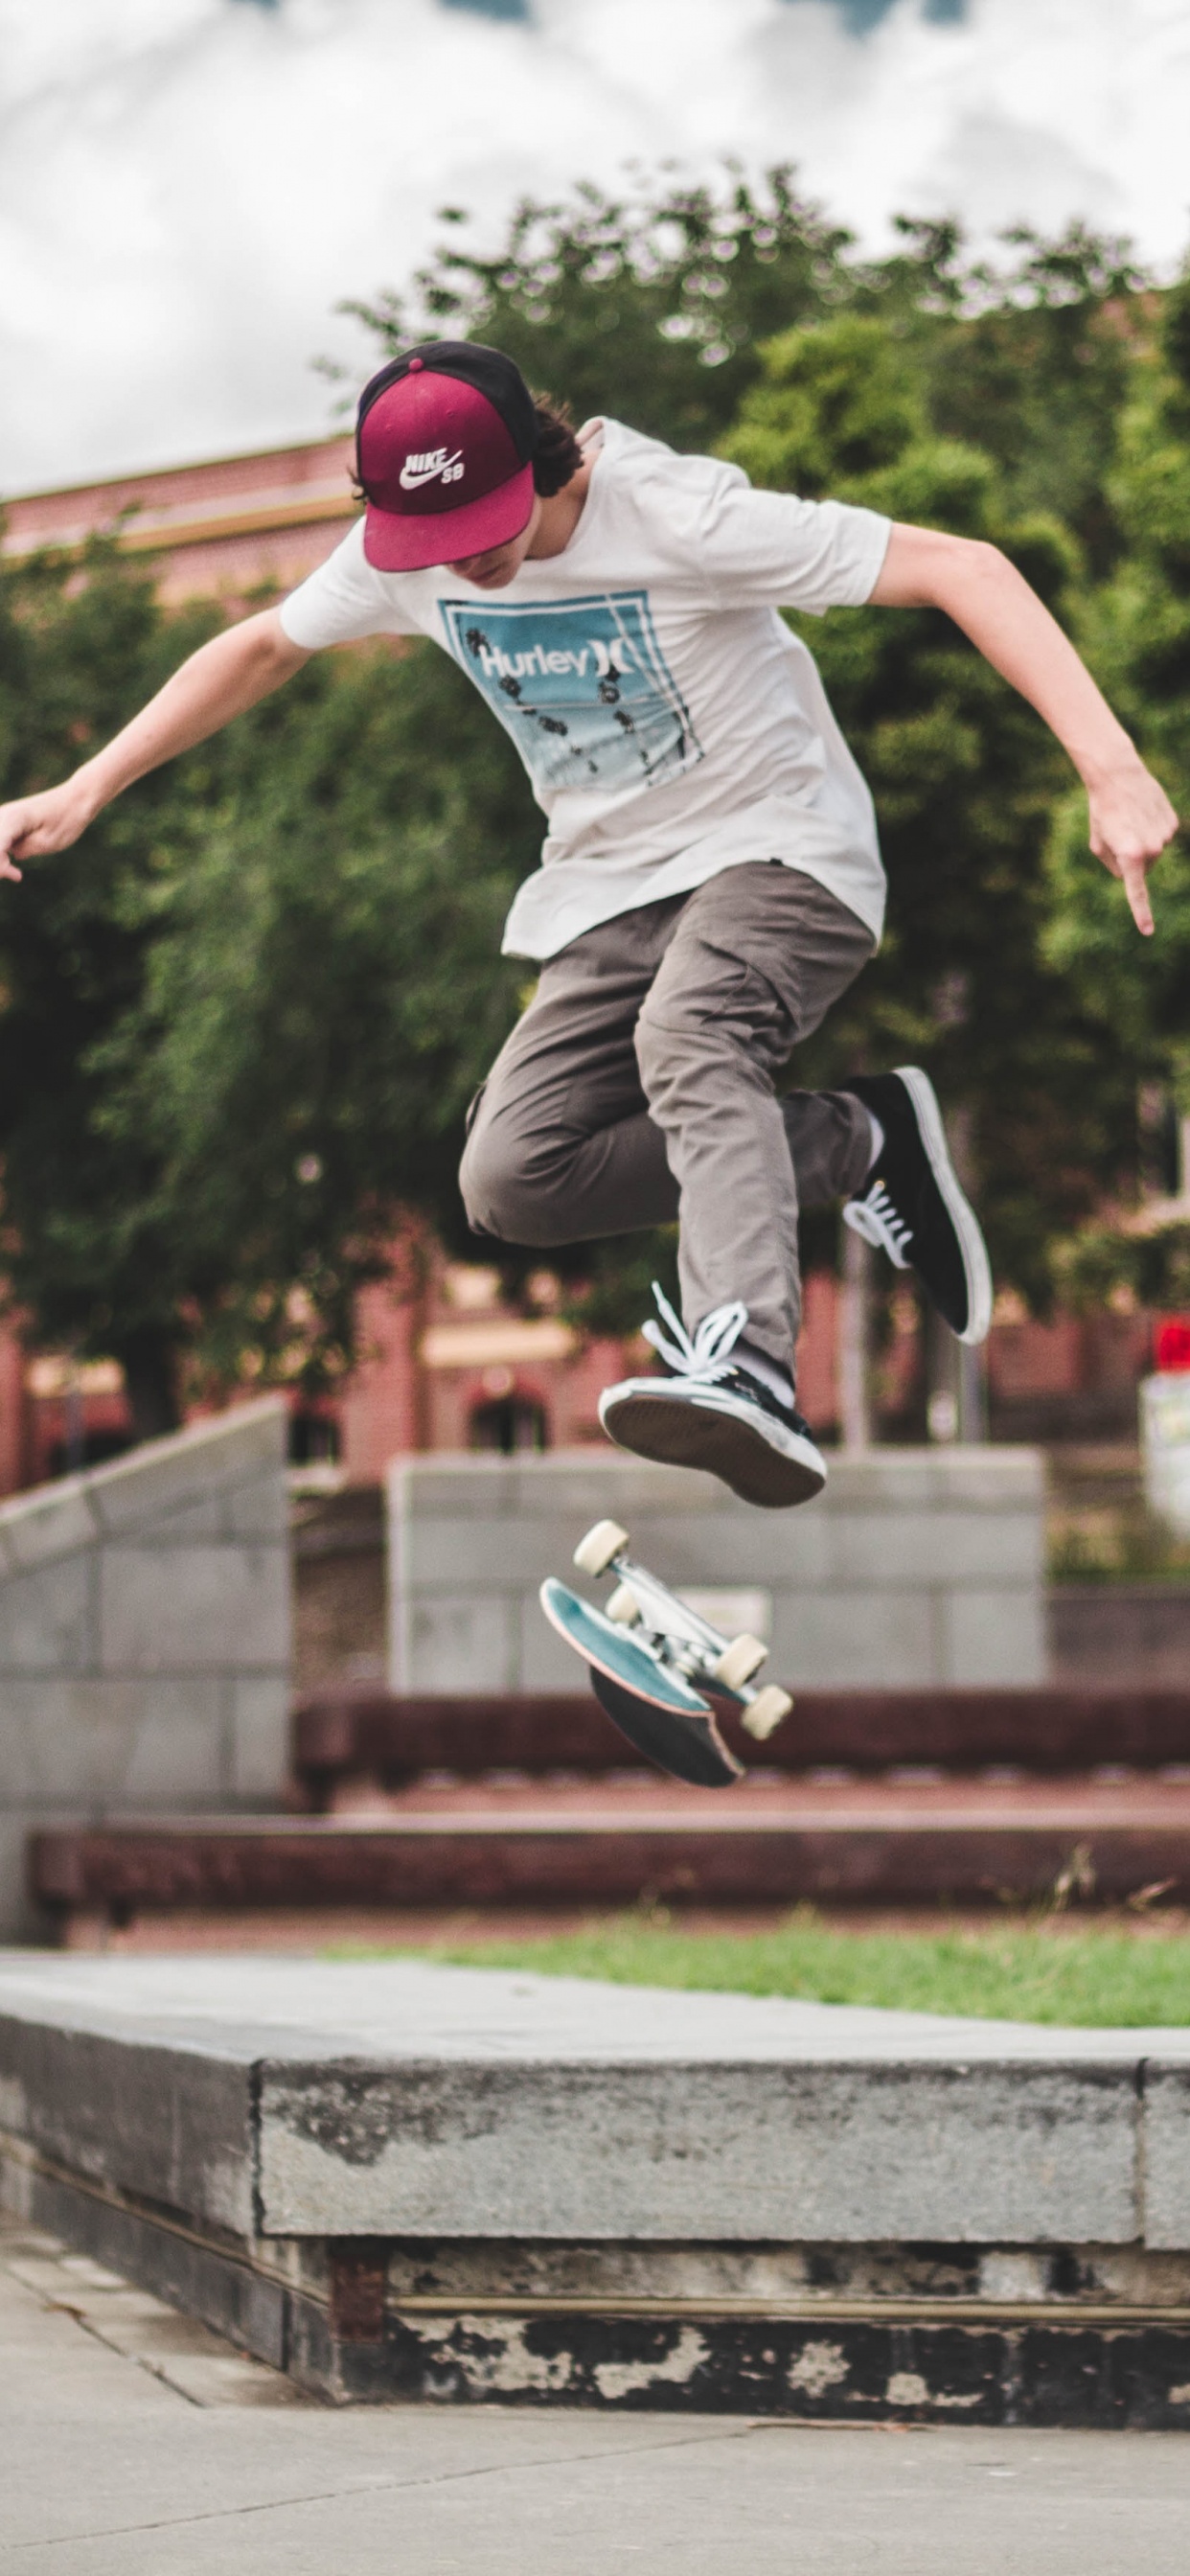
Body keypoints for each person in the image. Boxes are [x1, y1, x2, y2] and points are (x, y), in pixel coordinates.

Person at [0, 342, 1178, 1507]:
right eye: (437, 550)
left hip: (783, 849)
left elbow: (963, 566)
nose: (467, 567)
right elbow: (260, 645)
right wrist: (85, 788)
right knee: (515, 1177)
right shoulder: (407, 556)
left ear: (540, 461)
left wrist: (1109, 769)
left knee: (693, 1034)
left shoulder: (679, 516)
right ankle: (860, 1140)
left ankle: (752, 1363)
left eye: (485, 533)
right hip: (611, 885)